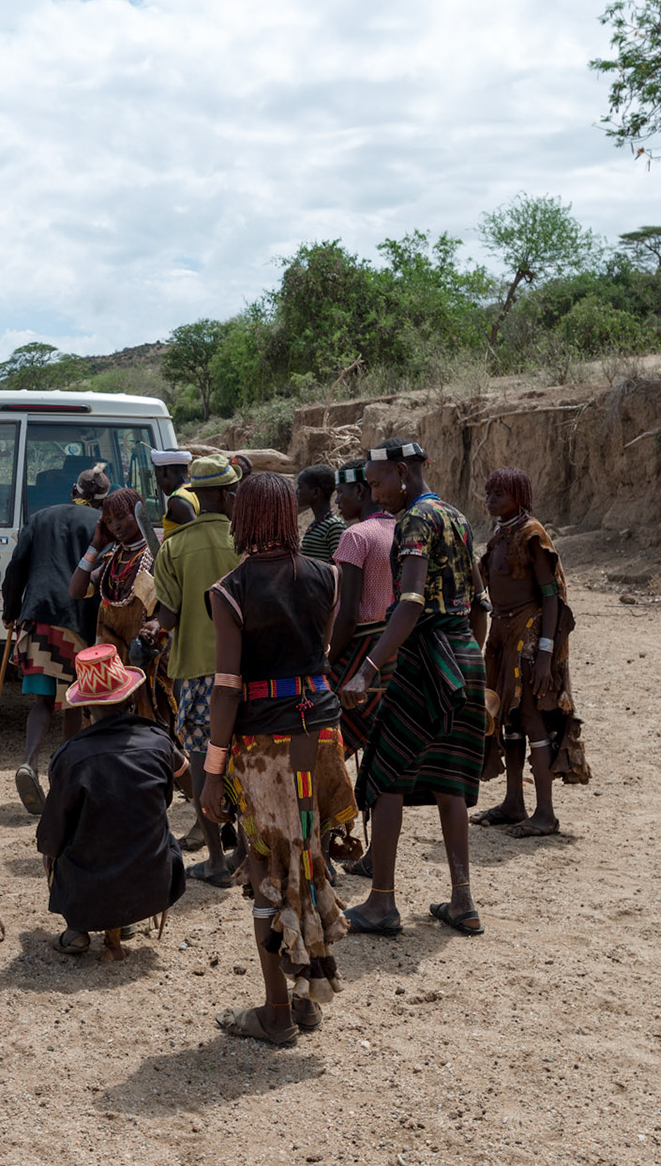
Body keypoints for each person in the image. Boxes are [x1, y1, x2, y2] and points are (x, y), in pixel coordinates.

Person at [197, 471, 360, 1047]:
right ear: (288, 515)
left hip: (261, 751)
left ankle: (276, 1013)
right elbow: (320, 656)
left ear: (245, 518)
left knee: (268, 871)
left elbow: (226, 688)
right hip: (320, 740)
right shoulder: (328, 576)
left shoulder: (231, 590)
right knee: (308, 862)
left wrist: (212, 773)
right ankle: (307, 996)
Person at [338, 439, 489, 936]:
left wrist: (367, 668)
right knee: (448, 776)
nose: (374, 494)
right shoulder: (459, 518)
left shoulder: (415, 522)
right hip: (464, 658)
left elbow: (410, 603)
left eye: (378, 482)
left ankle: (382, 902)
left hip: (424, 659)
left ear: (402, 472)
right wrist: (472, 656)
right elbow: (479, 602)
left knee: (383, 774)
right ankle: (463, 899)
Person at [36, 644, 188, 961]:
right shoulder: (160, 742)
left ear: (88, 708)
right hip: (153, 886)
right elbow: (184, 786)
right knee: (157, 830)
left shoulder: (70, 757)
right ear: (130, 697)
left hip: (88, 892)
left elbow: (50, 840)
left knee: (56, 847)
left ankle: (78, 929)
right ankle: (125, 919)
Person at [473, 466, 587, 837]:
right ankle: (513, 804)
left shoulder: (532, 535)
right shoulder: (501, 533)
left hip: (527, 635)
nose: (490, 500)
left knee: (532, 717)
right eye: (488, 493)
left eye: (498, 495)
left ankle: (545, 813)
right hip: (503, 634)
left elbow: (552, 597)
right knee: (509, 719)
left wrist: (544, 655)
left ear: (519, 497)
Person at [144, 454, 241, 885]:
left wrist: (151, 631)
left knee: (204, 762)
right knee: (245, 757)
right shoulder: (246, 542)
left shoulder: (175, 547)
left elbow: (169, 614)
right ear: (226, 493)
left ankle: (217, 858)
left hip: (199, 672)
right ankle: (245, 852)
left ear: (198, 495)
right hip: (248, 670)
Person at [1, 467, 107, 814]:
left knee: (43, 702)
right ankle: (64, 777)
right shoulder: (103, 524)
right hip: (80, 622)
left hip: (39, 616)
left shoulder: (41, 517)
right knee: (74, 705)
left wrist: (11, 608)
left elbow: (16, 566)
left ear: (73, 488)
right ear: (102, 498)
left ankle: (29, 762)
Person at [324, 458, 398, 877]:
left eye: (343, 492)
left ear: (361, 492)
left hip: (358, 648)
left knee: (331, 750)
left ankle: (329, 847)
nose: (339, 500)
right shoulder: (399, 529)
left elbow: (348, 613)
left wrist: (328, 662)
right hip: (393, 648)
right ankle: (374, 854)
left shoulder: (355, 537)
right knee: (379, 753)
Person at [68, 487, 158, 717]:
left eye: (120, 517)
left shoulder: (159, 554)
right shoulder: (112, 561)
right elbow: (77, 590)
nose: (115, 526)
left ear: (140, 513)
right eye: (108, 521)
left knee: (150, 719)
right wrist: (95, 546)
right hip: (112, 666)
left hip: (145, 657)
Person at [297, 464, 344, 563]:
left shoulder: (334, 526)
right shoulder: (317, 523)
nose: (297, 491)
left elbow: (340, 566)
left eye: (300, 487)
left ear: (316, 492)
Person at [151, 449, 199, 531]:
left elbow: (197, 532)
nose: (158, 483)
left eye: (156, 475)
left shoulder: (178, 500)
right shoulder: (193, 490)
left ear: (164, 471)